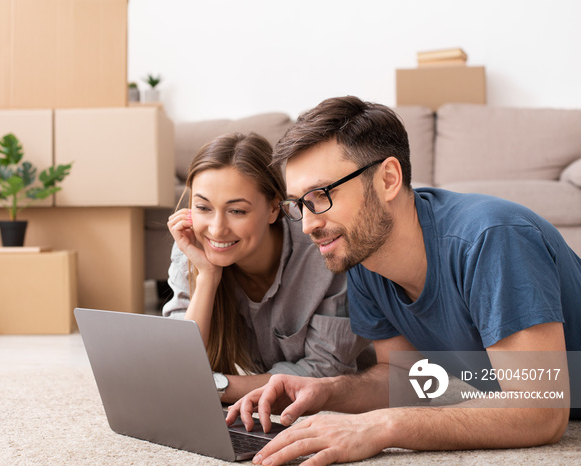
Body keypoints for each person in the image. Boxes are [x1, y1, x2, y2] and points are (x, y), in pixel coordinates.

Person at [225, 96, 581, 465]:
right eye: (299, 204)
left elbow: (542, 409)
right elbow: (405, 376)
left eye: (322, 196)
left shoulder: (491, 238)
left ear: (388, 179)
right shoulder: (363, 257)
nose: (310, 223)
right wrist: (324, 392)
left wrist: (382, 426)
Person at [163, 132, 373, 403]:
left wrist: (216, 387)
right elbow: (177, 365)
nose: (216, 229)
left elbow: (324, 371)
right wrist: (208, 276)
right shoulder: (193, 247)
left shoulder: (324, 249)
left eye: (237, 211)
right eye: (203, 207)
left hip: (380, 385)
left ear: (275, 207)